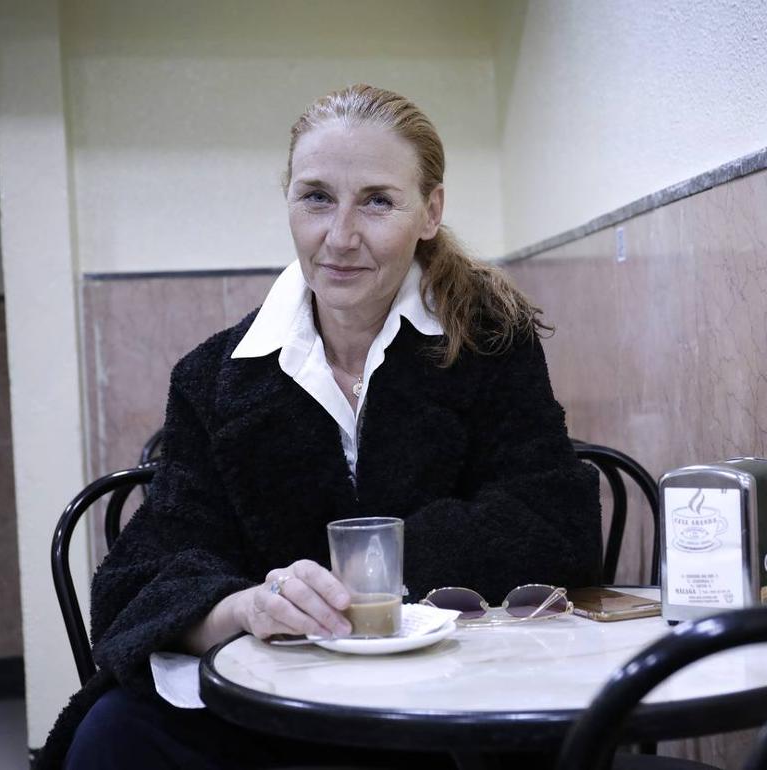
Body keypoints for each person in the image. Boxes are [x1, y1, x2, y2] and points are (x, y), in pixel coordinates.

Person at [37, 84, 603, 770]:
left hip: (447, 693)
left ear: (430, 211)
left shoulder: (491, 342)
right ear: (289, 203)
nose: (339, 237)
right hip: (271, 704)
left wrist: (363, 574)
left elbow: (555, 521)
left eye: (376, 201)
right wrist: (248, 605)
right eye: (316, 198)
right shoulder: (213, 378)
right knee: (112, 735)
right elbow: (143, 577)